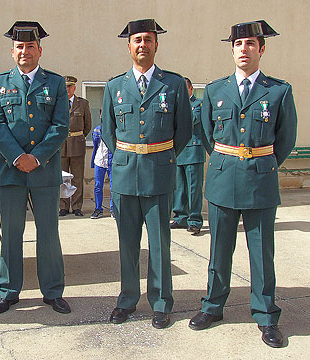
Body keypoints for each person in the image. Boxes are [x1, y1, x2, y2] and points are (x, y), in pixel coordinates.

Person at [188, 21, 297, 348]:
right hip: (223, 179)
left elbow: (286, 138)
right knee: (219, 249)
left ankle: (266, 316)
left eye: (250, 44)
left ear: (261, 49)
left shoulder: (278, 90)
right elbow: (206, 134)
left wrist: (263, 163)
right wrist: (226, 159)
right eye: (238, 44)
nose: (244, 49)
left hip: (261, 182)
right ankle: (213, 306)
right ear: (232, 49)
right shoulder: (216, 90)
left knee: (262, 253)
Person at [102, 19, 192, 328]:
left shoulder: (174, 84)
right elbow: (109, 133)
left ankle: (161, 303)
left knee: (159, 243)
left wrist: (160, 157)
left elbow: (183, 132)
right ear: (129, 46)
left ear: (156, 45)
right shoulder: (114, 86)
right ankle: (127, 301)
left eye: (148, 40)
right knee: (127, 244)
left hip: (158, 175)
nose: (143, 44)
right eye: (137, 40)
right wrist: (129, 157)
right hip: (126, 176)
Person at [0, 21, 71, 315]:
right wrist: (16, 157)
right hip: (11, 172)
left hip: (44, 171)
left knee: (48, 232)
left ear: (40, 50)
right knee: (11, 232)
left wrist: (35, 157)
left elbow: (61, 126)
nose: (25, 52)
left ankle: (52, 291)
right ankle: (9, 291)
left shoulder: (56, 83)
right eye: (20, 47)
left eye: (30, 46)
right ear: (12, 52)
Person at [170, 77, 205, 235]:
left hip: (193, 152)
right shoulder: (176, 106)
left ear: (191, 89)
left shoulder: (198, 104)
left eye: (185, 89)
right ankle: (180, 217)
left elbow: (192, 121)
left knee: (193, 188)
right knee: (179, 188)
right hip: (179, 152)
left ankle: (195, 220)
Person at [59, 75, 92, 217]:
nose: (67, 89)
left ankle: (77, 206)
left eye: (70, 86)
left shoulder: (82, 104)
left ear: (74, 87)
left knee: (77, 177)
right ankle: (63, 207)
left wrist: (79, 136)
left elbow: (87, 126)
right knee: (62, 178)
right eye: (65, 86)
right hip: (61, 145)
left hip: (77, 145)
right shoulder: (57, 103)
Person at [90, 123, 113, 219]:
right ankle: (98, 209)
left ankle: (113, 209)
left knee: (114, 186)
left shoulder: (115, 129)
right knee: (98, 185)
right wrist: (93, 162)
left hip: (112, 161)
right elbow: (95, 147)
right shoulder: (97, 130)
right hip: (100, 160)